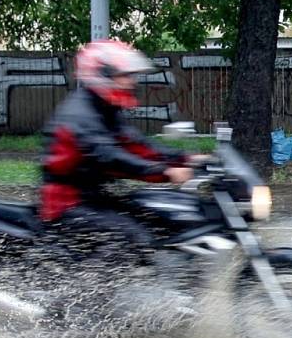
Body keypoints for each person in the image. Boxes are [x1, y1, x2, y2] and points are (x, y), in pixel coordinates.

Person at [39, 39, 199, 266]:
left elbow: (137, 145)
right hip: (67, 206)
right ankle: (87, 297)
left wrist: (186, 159)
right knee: (133, 238)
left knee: (159, 219)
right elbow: (110, 156)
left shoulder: (103, 108)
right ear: (100, 74)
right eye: (124, 75)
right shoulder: (80, 115)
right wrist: (165, 171)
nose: (131, 81)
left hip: (92, 198)